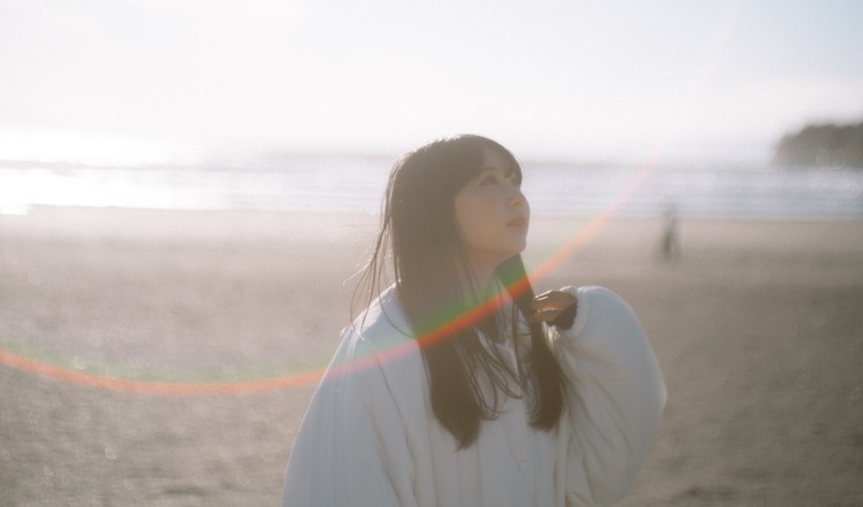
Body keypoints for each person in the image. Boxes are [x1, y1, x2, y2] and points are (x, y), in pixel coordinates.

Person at [282, 135, 665, 506]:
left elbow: (595, 472)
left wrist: (591, 326)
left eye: (514, 180)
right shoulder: (384, 345)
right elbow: (341, 489)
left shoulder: (525, 332)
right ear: (436, 208)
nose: (517, 197)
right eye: (489, 181)